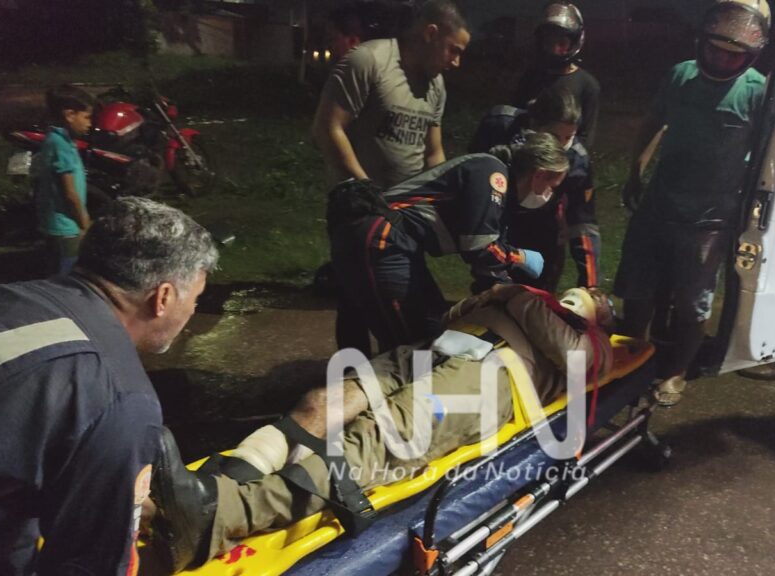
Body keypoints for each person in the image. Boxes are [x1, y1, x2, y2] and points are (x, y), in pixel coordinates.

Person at [148, 285, 618, 573]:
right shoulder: (529, 301)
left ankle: (220, 515)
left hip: (493, 378)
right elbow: (454, 317)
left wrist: (515, 297)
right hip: (436, 349)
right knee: (322, 401)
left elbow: (577, 359)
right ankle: (221, 481)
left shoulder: (592, 341)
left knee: (375, 439)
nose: (583, 293)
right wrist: (498, 297)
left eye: (594, 298)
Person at [0, 198, 218, 576]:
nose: (191, 314)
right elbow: (92, 563)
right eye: (196, 300)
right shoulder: (118, 395)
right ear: (164, 297)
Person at [613, 0, 771, 406]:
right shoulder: (681, 75)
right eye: (715, 48)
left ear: (750, 53)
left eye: (732, 53)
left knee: (691, 300)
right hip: (659, 202)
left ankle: (675, 371)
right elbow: (655, 122)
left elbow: (766, 153)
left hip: (710, 218)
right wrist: (636, 169)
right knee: (638, 290)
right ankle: (632, 361)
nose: (721, 57)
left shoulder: (758, 92)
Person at [331, 132, 569, 355]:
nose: (549, 194)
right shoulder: (492, 174)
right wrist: (521, 257)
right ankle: (385, 391)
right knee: (414, 339)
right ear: (538, 174)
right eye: (552, 186)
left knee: (429, 322)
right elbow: (480, 249)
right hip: (381, 238)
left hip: (387, 239)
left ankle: (355, 385)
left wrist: (511, 293)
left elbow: (489, 264)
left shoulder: (502, 195)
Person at [311, 0, 470, 188]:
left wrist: (441, 192)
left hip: (411, 203)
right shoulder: (368, 61)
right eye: (453, 50)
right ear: (431, 34)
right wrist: (366, 190)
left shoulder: (436, 83)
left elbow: (433, 153)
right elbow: (327, 129)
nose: (456, 62)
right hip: (358, 204)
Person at [469, 87, 601, 290]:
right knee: (491, 291)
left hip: (542, 229)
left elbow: (583, 221)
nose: (562, 146)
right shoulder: (500, 126)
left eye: (569, 137)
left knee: (537, 300)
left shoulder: (577, 160)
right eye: (555, 136)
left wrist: (590, 283)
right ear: (533, 124)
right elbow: (473, 171)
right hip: (497, 219)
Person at [512, 2, 600, 150]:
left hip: (562, 163)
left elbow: (585, 137)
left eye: (561, 43)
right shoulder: (531, 77)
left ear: (575, 41)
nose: (554, 48)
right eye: (549, 41)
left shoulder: (587, 85)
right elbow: (515, 121)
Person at [33, 84, 96, 275]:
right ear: (70, 115)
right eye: (86, 117)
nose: (90, 123)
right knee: (66, 271)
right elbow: (70, 193)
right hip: (65, 226)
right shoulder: (61, 145)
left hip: (59, 223)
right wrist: (85, 224)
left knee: (58, 264)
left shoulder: (57, 139)